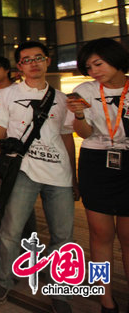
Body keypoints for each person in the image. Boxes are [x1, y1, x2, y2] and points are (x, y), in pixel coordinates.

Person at [0, 42, 78, 312]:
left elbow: (66, 138)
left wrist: (73, 176)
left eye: (38, 58)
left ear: (47, 61)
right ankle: (2, 278)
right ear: (19, 67)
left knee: (64, 236)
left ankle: (60, 290)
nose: (34, 63)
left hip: (59, 174)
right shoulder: (10, 94)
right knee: (11, 230)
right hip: (23, 170)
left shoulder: (62, 99)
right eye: (27, 60)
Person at [66, 38, 129, 313]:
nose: (93, 71)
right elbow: (85, 133)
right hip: (95, 162)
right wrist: (79, 116)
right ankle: (106, 299)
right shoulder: (85, 90)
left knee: (128, 236)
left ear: (115, 59)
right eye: (89, 66)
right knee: (99, 233)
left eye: (98, 64)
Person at [0, 56, 35, 247]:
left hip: (17, 150)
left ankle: (27, 239)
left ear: (7, 70)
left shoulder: (19, 90)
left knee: (22, 195)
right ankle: (6, 233)